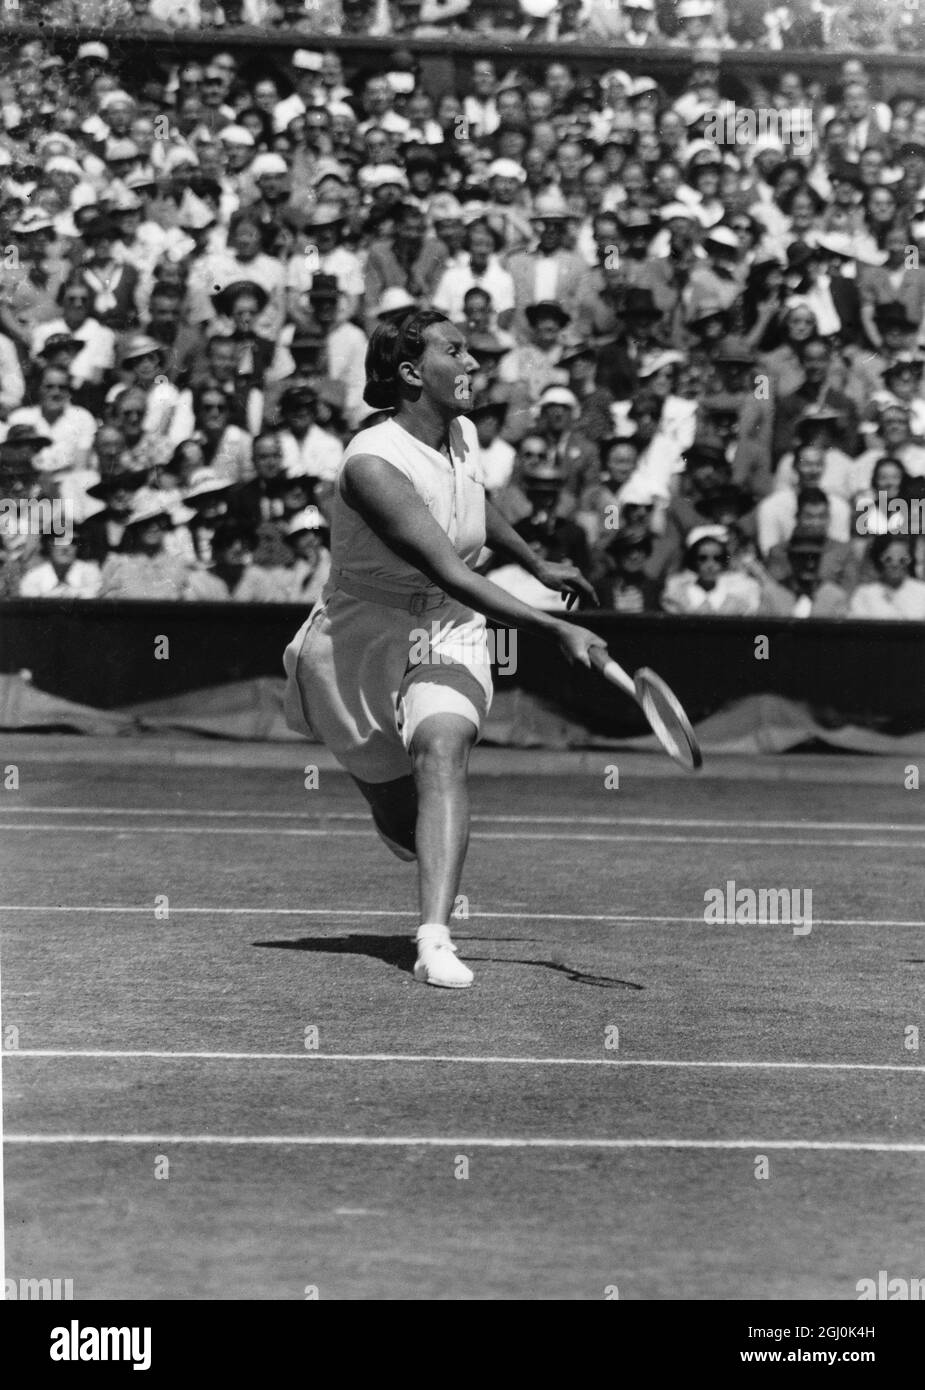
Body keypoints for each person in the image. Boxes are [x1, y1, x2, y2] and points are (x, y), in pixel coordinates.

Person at [283, 310, 602, 989]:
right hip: (358, 640)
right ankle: (386, 801)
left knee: (442, 746)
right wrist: (554, 627)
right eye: (457, 352)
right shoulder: (372, 465)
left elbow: (472, 504)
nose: (473, 365)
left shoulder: (461, 430)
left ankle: (433, 938)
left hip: (448, 627)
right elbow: (451, 566)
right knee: (401, 816)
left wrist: (537, 562)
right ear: (409, 373)